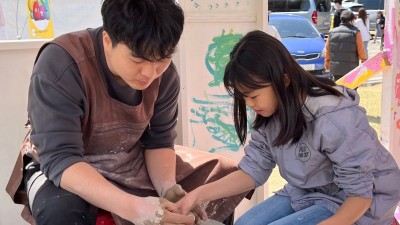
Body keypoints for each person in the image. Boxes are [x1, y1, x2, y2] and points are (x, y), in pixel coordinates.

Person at [5, 1, 248, 225]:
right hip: (61, 166)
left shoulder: (165, 75)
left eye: (161, 60)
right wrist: (137, 209)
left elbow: (159, 142)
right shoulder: (61, 63)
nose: (149, 73)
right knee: (62, 213)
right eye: (137, 60)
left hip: (129, 158)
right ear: (108, 40)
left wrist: (168, 189)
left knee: (220, 176)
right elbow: (61, 159)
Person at [177, 30, 400, 225]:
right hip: (309, 192)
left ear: (283, 81)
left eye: (253, 95)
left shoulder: (333, 117)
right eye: (244, 97)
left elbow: (361, 194)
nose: (249, 104)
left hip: (363, 202)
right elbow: (253, 170)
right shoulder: (272, 114)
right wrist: (197, 195)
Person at [324, 10, 367, 81]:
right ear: (351, 21)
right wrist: (364, 61)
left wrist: (327, 64)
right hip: (351, 70)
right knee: (350, 91)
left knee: (338, 90)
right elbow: (361, 50)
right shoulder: (355, 32)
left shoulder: (332, 32)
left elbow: (327, 50)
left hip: (335, 70)